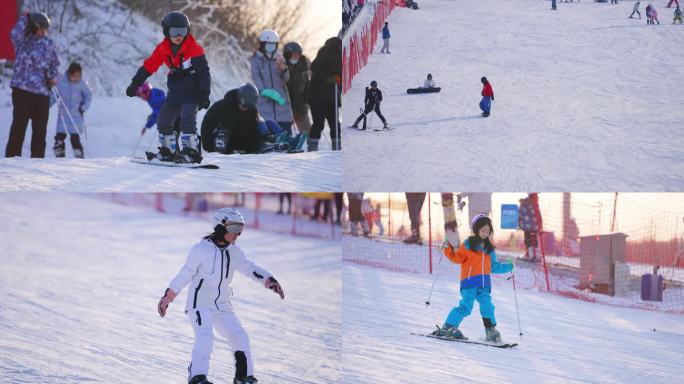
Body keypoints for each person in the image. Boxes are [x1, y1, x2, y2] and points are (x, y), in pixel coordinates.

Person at [157, 208, 285, 384]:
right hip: (200, 303)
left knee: (239, 336)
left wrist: (268, 280)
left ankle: (243, 377)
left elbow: (249, 267)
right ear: (220, 227)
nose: (237, 235)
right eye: (233, 229)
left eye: (240, 230)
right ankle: (197, 376)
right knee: (205, 336)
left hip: (222, 304)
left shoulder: (234, 251)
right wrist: (168, 296)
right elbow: (185, 274)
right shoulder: (201, 249)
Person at [125, 11, 210, 164]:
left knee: (187, 120)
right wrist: (135, 84)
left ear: (188, 31)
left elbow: (204, 73)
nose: (179, 36)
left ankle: (191, 152)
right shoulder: (162, 49)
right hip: (175, 92)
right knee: (163, 119)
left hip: (192, 91)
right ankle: (168, 151)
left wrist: (204, 95)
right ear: (166, 32)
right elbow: (149, 66)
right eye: (174, 31)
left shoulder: (194, 49)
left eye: (182, 31)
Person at [431, 215, 514, 343]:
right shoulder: (469, 244)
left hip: (484, 283)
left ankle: (490, 330)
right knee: (466, 306)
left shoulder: (489, 248)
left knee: (487, 305)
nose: (485, 233)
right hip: (469, 281)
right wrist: (447, 249)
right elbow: (457, 258)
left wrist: (509, 266)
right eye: (483, 230)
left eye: (488, 231)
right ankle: (449, 327)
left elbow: (494, 267)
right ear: (476, 230)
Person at [6, 12, 60, 158]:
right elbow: (14, 32)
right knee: (19, 125)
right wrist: (27, 17)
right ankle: (12, 158)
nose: (44, 31)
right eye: (41, 28)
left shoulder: (48, 43)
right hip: (22, 91)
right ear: (33, 27)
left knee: (40, 130)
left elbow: (55, 64)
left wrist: (54, 77)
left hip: (42, 93)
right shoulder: (23, 41)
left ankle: (37, 161)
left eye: (46, 29)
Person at [201, 83, 305, 154]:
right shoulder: (222, 107)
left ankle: (284, 143)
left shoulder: (251, 111)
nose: (248, 105)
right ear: (241, 98)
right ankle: (272, 144)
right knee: (225, 129)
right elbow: (207, 126)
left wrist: (263, 139)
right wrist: (209, 147)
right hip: (222, 141)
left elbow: (254, 130)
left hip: (241, 141)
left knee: (267, 124)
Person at [250, 29, 294, 135]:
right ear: (263, 44)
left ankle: (289, 143)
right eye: (269, 44)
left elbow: (286, 78)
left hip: (281, 104)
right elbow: (256, 77)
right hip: (265, 105)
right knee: (269, 130)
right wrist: (264, 91)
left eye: (273, 44)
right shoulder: (256, 59)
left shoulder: (279, 58)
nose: (271, 47)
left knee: (285, 131)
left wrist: (283, 69)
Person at [50, 62, 92, 158]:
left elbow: (88, 95)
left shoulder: (82, 84)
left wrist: (84, 106)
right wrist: (45, 106)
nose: (77, 78)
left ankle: (79, 157)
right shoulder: (61, 82)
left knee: (75, 139)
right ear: (69, 74)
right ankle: (59, 156)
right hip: (63, 117)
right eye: (75, 76)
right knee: (59, 138)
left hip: (76, 117)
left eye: (79, 75)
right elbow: (54, 96)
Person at [308, 37, 342, 151]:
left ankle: (337, 149)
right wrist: (328, 78)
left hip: (332, 96)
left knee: (335, 125)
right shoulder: (326, 50)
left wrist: (339, 78)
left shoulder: (342, 52)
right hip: (318, 95)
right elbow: (315, 67)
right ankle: (312, 149)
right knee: (318, 124)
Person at [283, 42, 312, 136]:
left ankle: (311, 148)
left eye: (298, 54)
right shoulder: (282, 65)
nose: (296, 57)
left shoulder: (305, 65)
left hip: (301, 106)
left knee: (307, 133)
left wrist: (308, 98)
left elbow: (308, 84)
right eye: (293, 54)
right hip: (285, 105)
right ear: (288, 55)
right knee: (286, 133)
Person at [518, 196, 540, 262]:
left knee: (527, 241)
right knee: (535, 241)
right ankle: (537, 256)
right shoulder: (534, 204)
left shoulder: (522, 206)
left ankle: (529, 255)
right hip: (534, 226)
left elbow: (519, 216)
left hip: (526, 227)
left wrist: (519, 225)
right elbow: (538, 215)